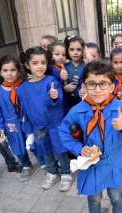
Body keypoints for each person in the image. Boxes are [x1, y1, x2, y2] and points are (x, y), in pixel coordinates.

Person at [59, 60, 122, 213]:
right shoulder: (77, 111)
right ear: (84, 86)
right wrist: (79, 148)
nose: (97, 90)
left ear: (111, 86)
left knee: (116, 196)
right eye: (91, 84)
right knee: (94, 198)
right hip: (91, 165)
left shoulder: (120, 108)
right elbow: (64, 133)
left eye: (103, 84)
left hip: (113, 163)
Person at [18, 46, 72, 191]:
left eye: (43, 62)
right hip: (39, 127)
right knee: (45, 150)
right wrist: (29, 130)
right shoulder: (22, 88)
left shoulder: (51, 81)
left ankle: (66, 174)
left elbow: (58, 103)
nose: (40, 66)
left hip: (55, 125)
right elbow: (25, 110)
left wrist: (54, 97)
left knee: (60, 150)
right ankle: (52, 173)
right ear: (27, 65)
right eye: (35, 63)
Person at [0, 55, 36, 181]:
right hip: (11, 125)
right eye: (5, 70)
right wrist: (1, 127)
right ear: (0, 72)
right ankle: (26, 165)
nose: (9, 74)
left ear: (19, 71)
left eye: (13, 70)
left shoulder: (25, 86)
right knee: (17, 146)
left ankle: (45, 164)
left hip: (27, 121)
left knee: (34, 143)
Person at [63, 35, 86, 111]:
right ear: (67, 51)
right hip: (68, 102)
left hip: (84, 100)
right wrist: (65, 89)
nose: (75, 52)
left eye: (78, 50)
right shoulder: (65, 66)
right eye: (72, 50)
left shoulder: (86, 65)